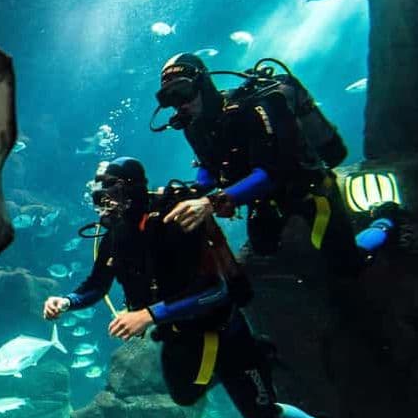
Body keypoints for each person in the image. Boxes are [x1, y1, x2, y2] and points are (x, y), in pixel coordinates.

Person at [43, 156, 341, 418]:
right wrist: (67, 302)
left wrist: (149, 314)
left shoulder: (173, 222)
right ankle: (250, 367)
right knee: (183, 396)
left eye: (112, 191)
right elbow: (96, 285)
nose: (105, 201)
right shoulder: (115, 237)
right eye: (101, 194)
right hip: (179, 337)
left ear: (132, 188)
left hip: (224, 334)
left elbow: (215, 291)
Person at [149, 52, 401, 277]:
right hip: (265, 199)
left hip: (306, 189)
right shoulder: (194, 126)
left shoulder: (251, 110)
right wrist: (192, 191)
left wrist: (210, 203)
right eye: (169, 97)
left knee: (348, 264)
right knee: (264, 248)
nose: (179, 103)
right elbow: (209, 166)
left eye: (183, 91)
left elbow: (270, 173)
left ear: (203, 84)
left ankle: (385, 219)